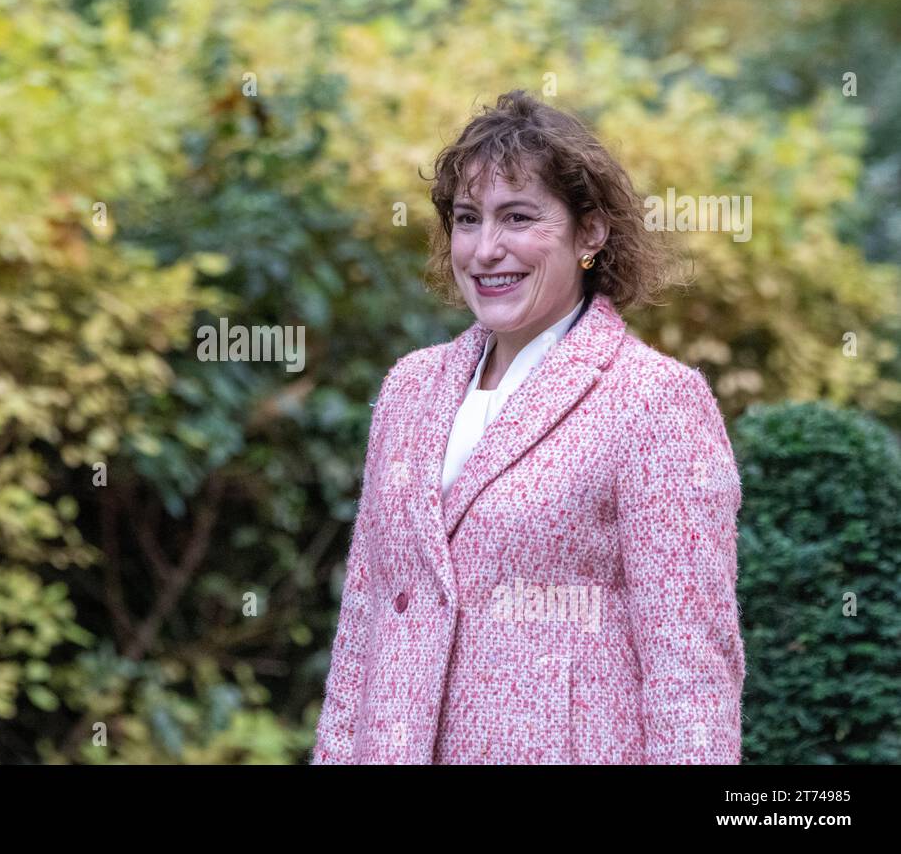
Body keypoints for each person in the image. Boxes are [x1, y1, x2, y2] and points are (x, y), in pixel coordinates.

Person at [312, 90, 745, 765]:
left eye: (518, 217)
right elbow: (365, 623)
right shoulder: (409, 388)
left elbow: (690, 667)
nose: (486, 249)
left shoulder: (655, 401)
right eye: (467, 219)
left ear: (590, 232)